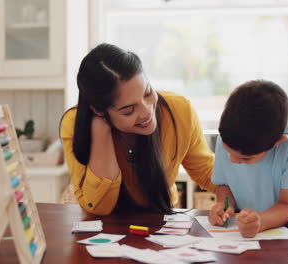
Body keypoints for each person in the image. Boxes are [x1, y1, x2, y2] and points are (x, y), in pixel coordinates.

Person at [60, 43, 216, 215]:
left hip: (161, 222)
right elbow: (99, 207)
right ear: (98, 110)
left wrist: (229, 197)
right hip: (104, 230)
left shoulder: (180, 110)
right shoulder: (73, 124)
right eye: (128, 110)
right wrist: (100, 131)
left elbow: (206, 171)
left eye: (147, 93)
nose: (147, 112)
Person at [208, 79, 288, 238]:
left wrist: (261, 221)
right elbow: (224, 185)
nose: (232, 161)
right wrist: (225, 205)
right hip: (242, 226)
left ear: (277, 142)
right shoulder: (229, 134)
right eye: (228, 151)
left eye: (245, 158)